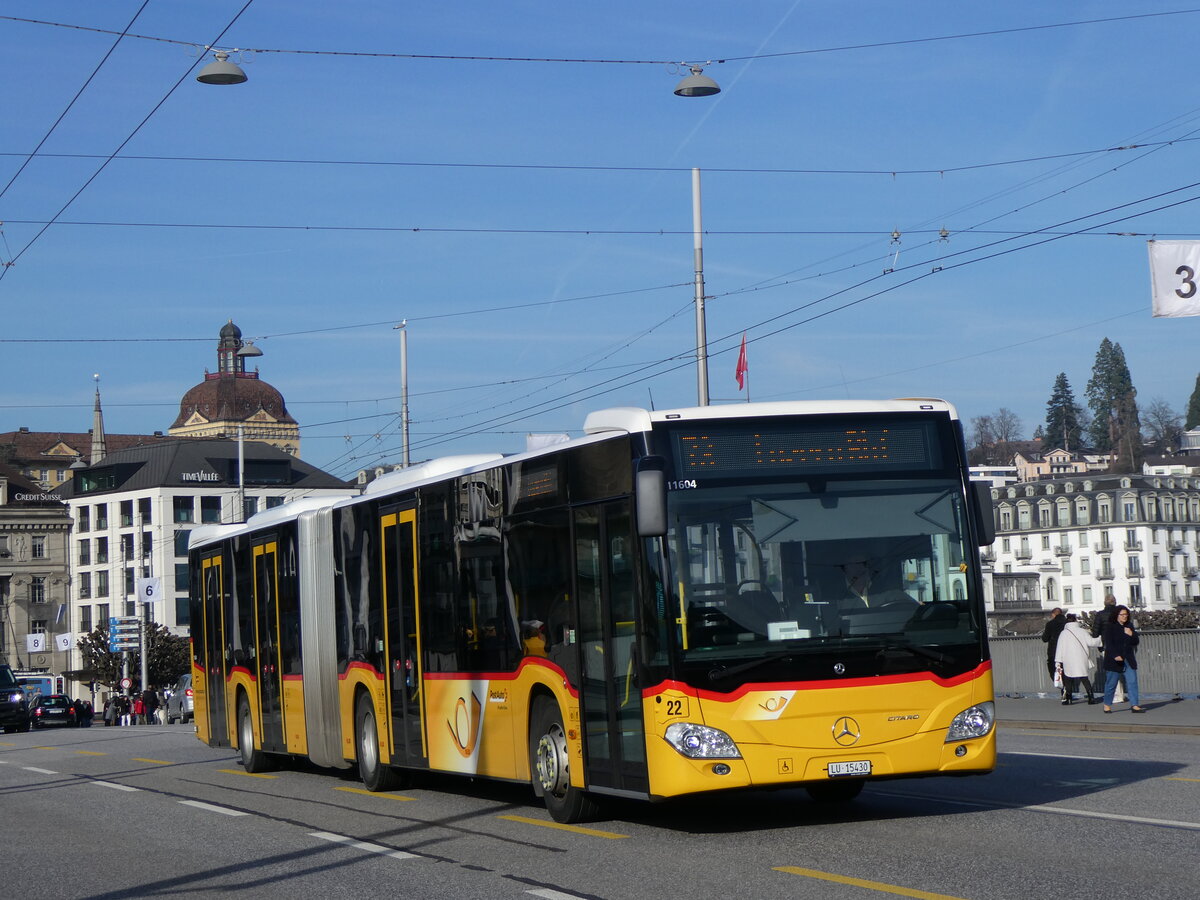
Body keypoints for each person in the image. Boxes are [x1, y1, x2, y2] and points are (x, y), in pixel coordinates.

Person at [1101, 605, 1143, 713]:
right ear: (1117, 615)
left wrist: (1132, 634)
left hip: (1128, 659)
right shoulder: (1110, 627)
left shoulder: (1129, 626)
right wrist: (1115, 655)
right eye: (1122, 614)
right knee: (1111, 683)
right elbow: (1109, 643)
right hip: (1114, 660)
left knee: (1132, 681)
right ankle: (1107, 704)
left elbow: (1135, 641)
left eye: (1126, 614)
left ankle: (1135, 705)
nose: (1125, 616)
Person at [1053, 613, 1101, 704]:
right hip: (1081, 658)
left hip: (1068, 659)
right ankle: (1091, 697)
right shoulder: (1082, 631)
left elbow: (1059, 648)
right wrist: (1100, 639)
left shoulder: (1063, 633)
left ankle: (1069, 698)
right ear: (1075, 620)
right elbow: (1091, 642)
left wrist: (1058, 662)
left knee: (1068, 678)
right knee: (1084, 677)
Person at [1040, 607, 1066, 688]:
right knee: (1066, 671)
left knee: (1053, 670)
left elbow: (1045, 639)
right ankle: (1067, 689)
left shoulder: (1050, 624)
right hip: (1066, 651)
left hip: (1053, 652)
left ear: (1054, 614)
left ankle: (1062, 687)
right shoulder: (1067, 623)